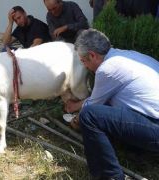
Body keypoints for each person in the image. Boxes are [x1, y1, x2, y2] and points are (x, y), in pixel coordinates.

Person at [65, 29, 159, 179]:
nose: (85, 66)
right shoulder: (128, 55)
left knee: (89, 116)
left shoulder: (108, 68)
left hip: (156, 127)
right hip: (154, 118)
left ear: (92, 55)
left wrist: (76, 115)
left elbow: (92, 106)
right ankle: (136, 151)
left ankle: (110, 176)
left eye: (83, 61)